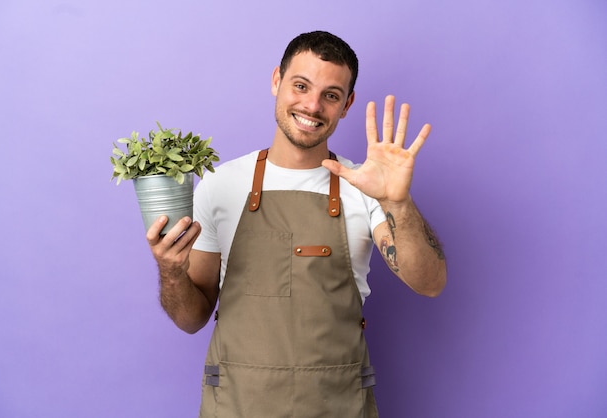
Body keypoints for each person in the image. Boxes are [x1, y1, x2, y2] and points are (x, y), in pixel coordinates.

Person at [146, 30, 446, 418]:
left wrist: (396, 202)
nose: (312, 105)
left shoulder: (364, 187)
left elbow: (430, 282)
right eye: (301, 85)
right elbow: (191, 319)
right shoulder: (220, 184)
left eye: (331, 95)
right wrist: (171, 273)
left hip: (337, 406)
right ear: (277, 80)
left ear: (347, 104)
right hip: (237, 405)